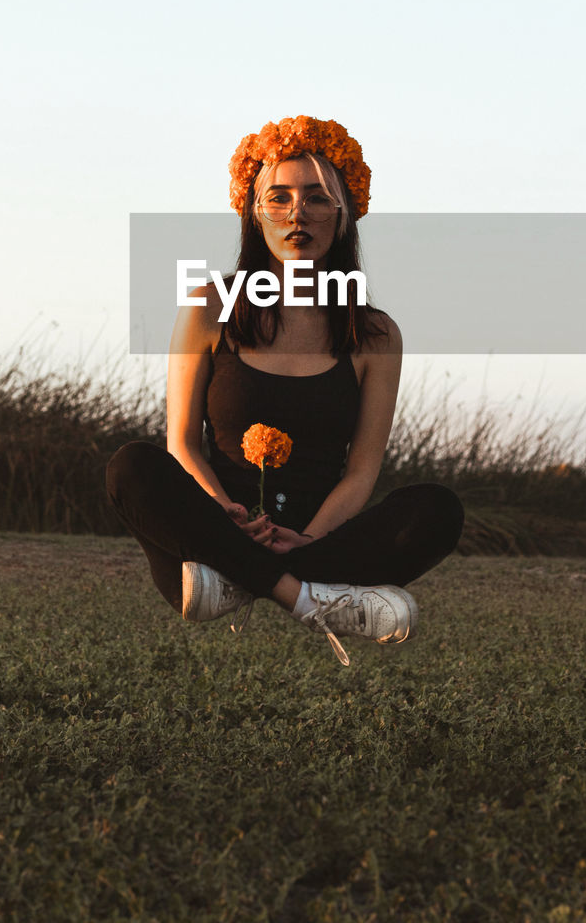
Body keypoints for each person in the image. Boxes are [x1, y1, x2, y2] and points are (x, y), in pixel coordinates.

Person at [105, 115, 464, 664]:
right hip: (212, 528)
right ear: (255, 212)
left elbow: (361, 472)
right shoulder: (208, 307)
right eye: (280, 197)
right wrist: (225, 511)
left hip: (319, 538)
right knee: (131, 466)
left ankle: (243, 583)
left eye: (318, 198)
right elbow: (182, 442)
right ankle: (305, 596)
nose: (298, 213)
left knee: (438, 509)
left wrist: (310, 540)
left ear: (344, 214)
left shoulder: (375, 335)